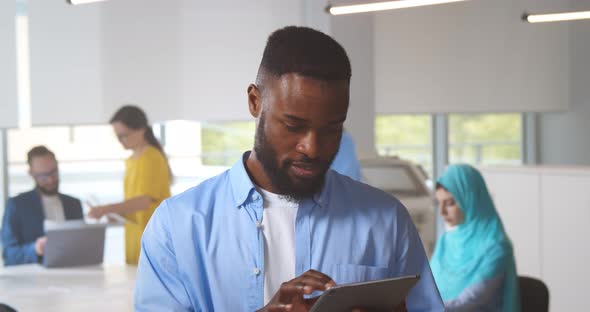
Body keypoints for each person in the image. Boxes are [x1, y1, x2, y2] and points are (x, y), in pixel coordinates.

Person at [134, 26, 443, 311]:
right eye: (294, 125)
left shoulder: (385, 221)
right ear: (255, 102)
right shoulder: (177, 226)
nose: (312, 147)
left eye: (332, 128)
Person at [87, 105, 171, 265]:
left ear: (141, 129)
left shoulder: (151, 158)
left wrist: (106, 209)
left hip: (152, 239)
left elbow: (144, 201)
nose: (120, 141)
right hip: (135, 239)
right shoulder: (132, 160)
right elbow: (135, 204)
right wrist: (119, 215)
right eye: (117, 137)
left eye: (124, 136)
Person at [430, 164, 520, 311]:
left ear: (471, 199)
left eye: (450, 203)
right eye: (438, 203)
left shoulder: (496, 247)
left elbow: (468, 302)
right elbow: (427, 288)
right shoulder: (446, 240)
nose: (442, 212)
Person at [1, 146, 83, 266]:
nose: (50, 180)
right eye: (43, 176)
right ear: (31, 173)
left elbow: (81, 246)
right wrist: (35, 249)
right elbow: (9, 255)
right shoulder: (17, 205)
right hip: (33, 280)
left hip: (74, 274)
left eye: (53, 172)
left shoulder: (74, 204)